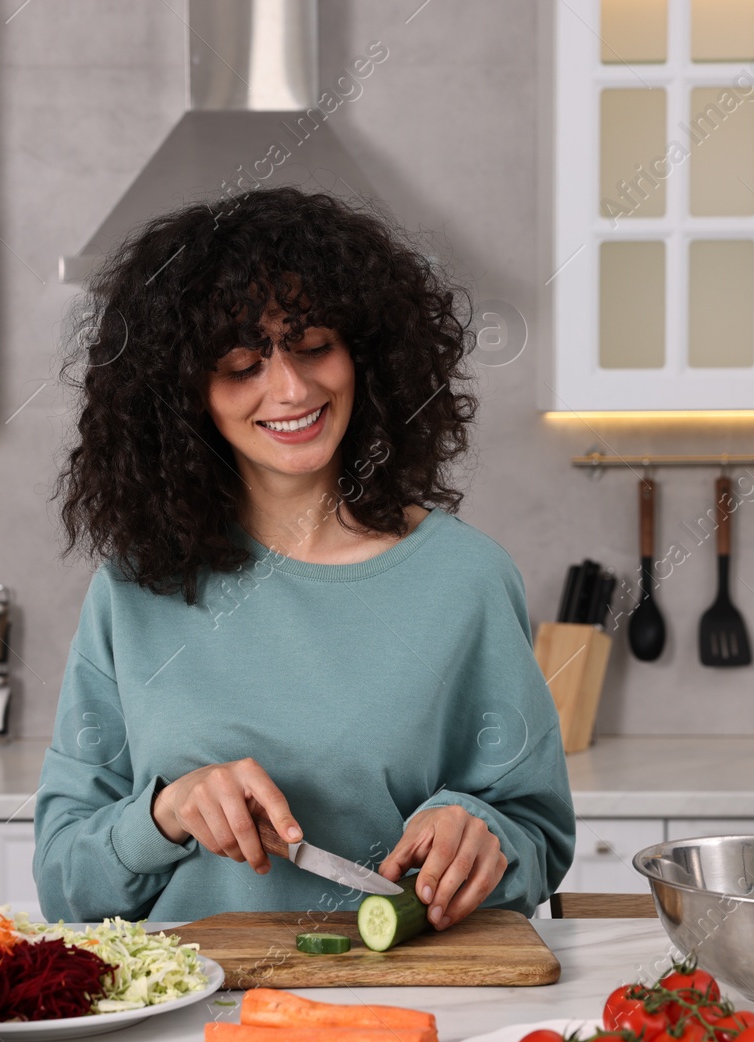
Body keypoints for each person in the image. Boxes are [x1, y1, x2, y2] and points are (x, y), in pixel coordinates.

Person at [33, 186, 575, 928]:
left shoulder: (465, 579)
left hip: (408, 1007)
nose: (290, 387)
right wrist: (164, 813)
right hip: (185, 1025)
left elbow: (537, 837)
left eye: (314, 345)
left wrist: (482, 833)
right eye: (240, 364)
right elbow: (65, 883)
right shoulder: (134, 589)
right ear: (183, 395)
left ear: (365, 352)